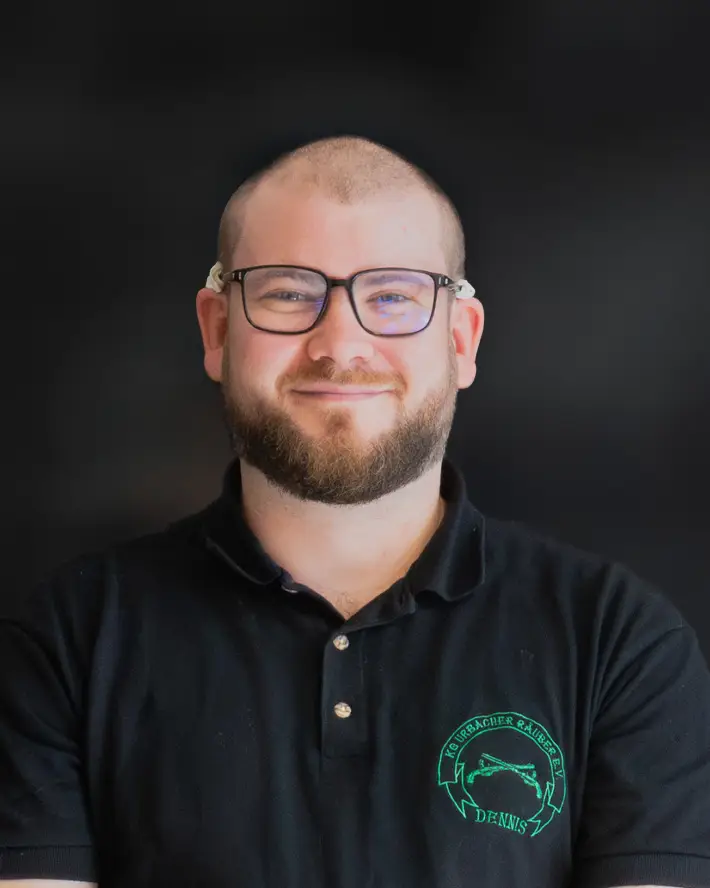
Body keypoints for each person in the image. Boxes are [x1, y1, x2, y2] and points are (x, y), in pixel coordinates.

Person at [1, 135, 709, 888]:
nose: (340, 345)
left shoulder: (617, 642)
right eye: (287, 294)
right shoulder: (72, 639)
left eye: (393, 297)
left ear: (461, 341)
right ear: (217, 331)